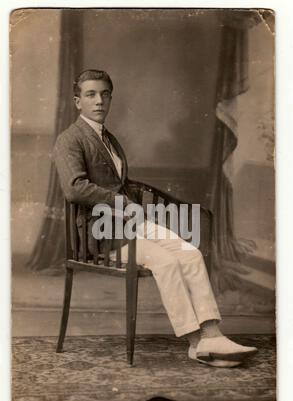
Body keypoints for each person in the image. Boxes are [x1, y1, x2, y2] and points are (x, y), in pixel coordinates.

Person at [53, 69, 258, 368]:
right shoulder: (69, 140)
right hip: (101, 232)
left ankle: (212, 334)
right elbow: (74, 188)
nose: (99, 101)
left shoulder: (108, 139)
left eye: (105, 94)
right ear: (77, 101)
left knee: (189, 253)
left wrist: (131, 202)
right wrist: (118, 200)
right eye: (91, 94)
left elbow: (119, 181)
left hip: (128, 223)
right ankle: (194, 343)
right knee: (165, 261)